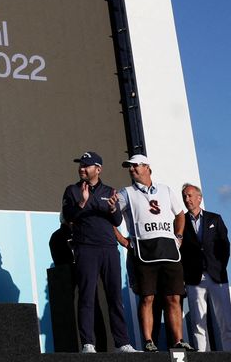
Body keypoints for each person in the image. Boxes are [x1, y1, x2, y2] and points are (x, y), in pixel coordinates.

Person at [116, 154, 195, 352]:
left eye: (135, 166)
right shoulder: (126, 193)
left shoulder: (165, 190)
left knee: (174, 297)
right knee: (147, 297)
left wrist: (179, 236)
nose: (132, 169)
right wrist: (124, 241)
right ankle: (149, 341)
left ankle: (178, 341)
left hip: (168, 249)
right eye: (130, 167)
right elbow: (109, 216)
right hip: (144, 250)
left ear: (147, 167)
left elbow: (179, 214)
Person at [61, 151, 136, 353]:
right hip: (85, 248)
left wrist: (113, 210)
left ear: (98, 169)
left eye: (86, 165)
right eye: (80, 165)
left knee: (115, 297)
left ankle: (123, 343)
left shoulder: (110, 191)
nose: (82, 168)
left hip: (109, 249)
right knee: (86, 297)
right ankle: (88, 343)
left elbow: (118, 221)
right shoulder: (72, 190)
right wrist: (82, 203)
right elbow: (68, 217)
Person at [181, 183, 231, 351]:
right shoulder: (180, 222)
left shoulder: (214, 218)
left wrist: (220, 266)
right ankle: (203, 356)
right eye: (184, 196)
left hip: (217, 276)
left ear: (199, 197)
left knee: (225, 320)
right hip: (194, 278)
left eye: (189, 195)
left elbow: (225, 245)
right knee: (198, 323)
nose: (186, 199)